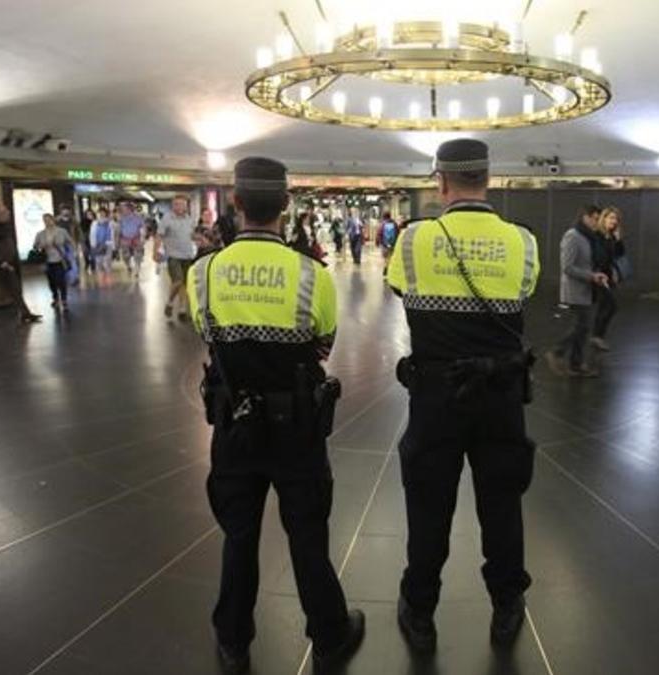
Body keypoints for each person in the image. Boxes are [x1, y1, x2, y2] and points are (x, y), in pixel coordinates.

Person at [185, 157, 364, 675]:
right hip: (298, 430)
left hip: (233, 427)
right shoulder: (313, 275)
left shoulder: (204, 273)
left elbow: (207, 335)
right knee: (307, 534)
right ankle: (330, 634)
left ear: (235, 204)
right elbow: (323, 345)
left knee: (239, 536)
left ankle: (233, 639)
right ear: (286, 206)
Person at [386, 138, 540, 653]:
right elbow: (525, 295)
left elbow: (399, 291)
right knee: (502, 505)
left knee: (429, 507)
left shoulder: (411, 241)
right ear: (488, 179)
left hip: (435, 399)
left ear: (441, 182)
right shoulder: (523, 242)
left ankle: (421, 610)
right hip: (501, 400)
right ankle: (506, 607)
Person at [546, 205, 607, 377]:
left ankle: (576, 364)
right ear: (585, 217)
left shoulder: (590, 237)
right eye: (595, 218)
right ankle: (558, 352)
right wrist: (591, 276)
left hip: (588, 289)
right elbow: (567, 267)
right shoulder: (572, 236)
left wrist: (596, 275)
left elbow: (589, 261)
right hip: (575, 291)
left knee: (583, 328)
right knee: (582, 326)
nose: (597, 222)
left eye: (599, 219)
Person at [156, 195, 198, 321]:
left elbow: (191, 235)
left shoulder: (190, 219)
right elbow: (159, 236)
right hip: (173, 255)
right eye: (177, 204)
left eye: (182, 204)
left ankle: (182, 310)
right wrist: (155, 252)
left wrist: (199, 239)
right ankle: (169, 302)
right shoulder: (167, 219)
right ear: (173, 205)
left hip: (188, 255)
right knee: (178, 281)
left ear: (186, 206)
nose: (180, 206)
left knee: (185, 284)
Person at [591, 206, 626, 351]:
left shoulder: (611, 236)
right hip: (599, 276)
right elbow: (597, 257)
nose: (614, 221)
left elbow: (619, 254)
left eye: (616, 219)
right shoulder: (597, 236)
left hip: (609, 276)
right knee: (610, 305)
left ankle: (597, 336)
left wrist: (618, 240)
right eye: (611, 218)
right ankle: (597, 336)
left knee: (605, 306)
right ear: (603, 218)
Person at [32, 212, 75, 312]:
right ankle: (55, 297)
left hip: (60, 259)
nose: (47, 222)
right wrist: (41, 246)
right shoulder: (40, 234)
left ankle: (64, 300)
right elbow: (35, 246)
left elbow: (70, 241)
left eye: (49, 220)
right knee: (51, 281)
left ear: (53, 220)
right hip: (47, 260)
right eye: (45, 220)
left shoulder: (61, 231)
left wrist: (72, 252)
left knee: (61, 280)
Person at [116, 202, 144, 278]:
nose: (123, 210)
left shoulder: (138, 217)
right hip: (125, 239)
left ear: (129, 209)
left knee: (138, 256)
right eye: (122, 209)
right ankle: (128, 266)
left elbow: (142, 229)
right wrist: (117, 241)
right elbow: (119, 230)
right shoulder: (121, 218)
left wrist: (142, 239)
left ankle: (137, 270)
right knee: (126, 256)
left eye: (124, 209)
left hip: (136, 239)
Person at [90, 208, 115, 283]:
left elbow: (112, 234)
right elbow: (92, 234)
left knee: (107, 262)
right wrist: (92, 244)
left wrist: (112, 245)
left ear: (105, 214)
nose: (101, 215)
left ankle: (108, 278)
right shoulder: (94, 223)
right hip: (97, 245)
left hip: (107, 244)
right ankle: (101, 277)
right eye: (99, 213)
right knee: (98, 262)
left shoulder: (110, 223)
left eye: (103, 213)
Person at [79, 208, 96, 275]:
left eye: (91, 214)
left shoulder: (95, 222)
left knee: (93, 254)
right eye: (88, 214)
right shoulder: (82, 222)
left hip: (93, 240)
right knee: (85, 253)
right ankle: (87, 263)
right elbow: (81, 231)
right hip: (85, 239)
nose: (89, 215)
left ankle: (93, 265)